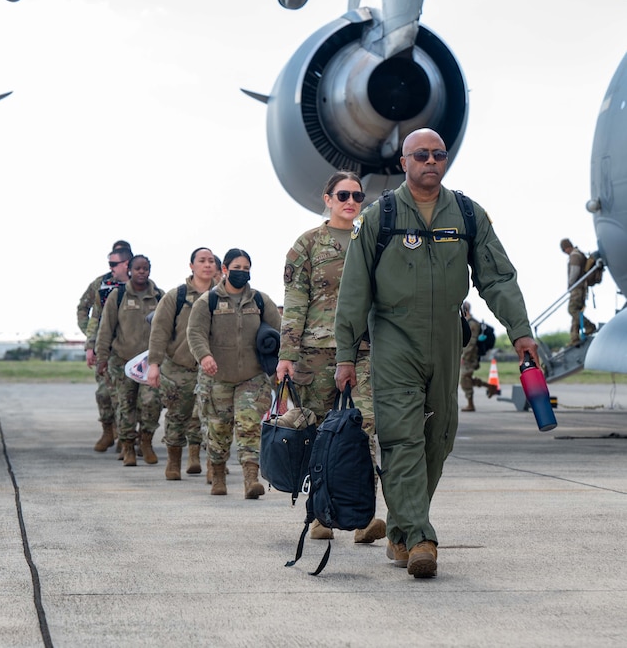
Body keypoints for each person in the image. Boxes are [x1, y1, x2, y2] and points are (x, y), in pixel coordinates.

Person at [334, 128, 538, 579]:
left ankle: (401, 530)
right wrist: (345, 356)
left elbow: (498, 278)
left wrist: (520, 332)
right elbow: (353, 292)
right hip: (393, 337)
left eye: (438, 154)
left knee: (439, 437)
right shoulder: (379, 216)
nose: (431, 160)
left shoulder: (467, 213)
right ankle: (422, 537)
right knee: (401, 436)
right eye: (420, 154)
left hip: (448, 335)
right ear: (403, 162)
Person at [276, 171, 384, 543]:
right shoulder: (307, 245)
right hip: (315, 352)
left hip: (363, 349)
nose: (351, 201)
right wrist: (287, 354)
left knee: (362, 428)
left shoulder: (371, 238)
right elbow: (295, 301)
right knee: (321, 433)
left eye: (357, 195)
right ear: (327, 198)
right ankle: (320, 514)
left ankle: (363, 516)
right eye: (343, 195)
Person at [187, 248, 281, 499]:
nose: (242, 273)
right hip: (216, 378)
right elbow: (195, 332)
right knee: (218, 431)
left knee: (250, 427)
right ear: (225, 270)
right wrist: (204, 356)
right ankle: (218, 474)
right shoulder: (208, 302)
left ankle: (251, 479)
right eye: (237, 268)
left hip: (251, 378)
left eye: (246, 269)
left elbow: (279, 330)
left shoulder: (260, 301)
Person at [146, 247, 219, 480]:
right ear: (192, 266)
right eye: (202, 261)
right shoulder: (175, 296)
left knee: (211, 418)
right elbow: (159, 332)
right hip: (178, 369)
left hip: (212, 370)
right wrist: (154, 364)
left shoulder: (222, 296)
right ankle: (174, 461)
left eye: (211, 261)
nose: (207, 265)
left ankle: (212, 467)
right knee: (177, 417)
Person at [95, 255, 165, 466]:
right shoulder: (118, 296)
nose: (141, 272)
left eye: (145, 268)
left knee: (151, 403)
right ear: (130, 270)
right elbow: (105, 328)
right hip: (122, 361)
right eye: (137, 268)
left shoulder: (160, 297)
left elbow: (167, 329)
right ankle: (127, 447)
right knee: (125, 406)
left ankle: (145, 441)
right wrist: (102, 358)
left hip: (149, 362)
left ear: (150, 270)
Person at [79, 241, 132, 452]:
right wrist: (91, 342)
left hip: (132, 349)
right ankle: (109, 431)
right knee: (104, 393)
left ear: (126, 262)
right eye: (109, 263)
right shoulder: (101, 285)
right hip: (106, 347)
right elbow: (90, 313)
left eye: (114, 263)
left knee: (130, 397)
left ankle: (129, 438)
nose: (110, 267)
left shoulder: (141, 284)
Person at [560, 238, 597, 347]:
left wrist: (571, 285)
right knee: (576, 312)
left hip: (578, 288)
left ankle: (590, 326)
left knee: (572, 310)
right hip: (581, 288)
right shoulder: (579, 254)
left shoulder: (575, 255)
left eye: (564, 250)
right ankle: (574, 338)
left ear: (567, 247)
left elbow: (574, 271)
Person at [459, 301, 481, 412]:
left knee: (464, 379)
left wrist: (464, 357)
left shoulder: (472, 324)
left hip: (470, 357)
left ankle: (470, 404)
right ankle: (487, 386)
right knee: (466, 378)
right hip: (467, 356)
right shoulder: (468, 322)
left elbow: (471, 343)